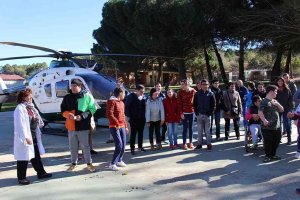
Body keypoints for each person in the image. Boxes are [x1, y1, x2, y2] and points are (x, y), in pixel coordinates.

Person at [14, 88, 52, 185]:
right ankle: (21, 178)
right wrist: (26, 137)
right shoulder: (20, 108)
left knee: (36, 156)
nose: (30, 97)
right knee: (23, 157)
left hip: (34, 134)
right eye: (28, 95)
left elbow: (36, 120)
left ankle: (41, 173)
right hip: (26, 136)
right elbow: (20, 124)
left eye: (30, 95)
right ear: (23, 97)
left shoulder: (31, 107)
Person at [61, 79, 96, 172]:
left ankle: (89, 163)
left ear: (80, 86)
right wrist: (68, 115)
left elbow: (93, 108)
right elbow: (63, 110)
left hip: (83, 126)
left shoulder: (87, 96)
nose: (72, 88)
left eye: (74, 86)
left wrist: (82, 116)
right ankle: (73, 163)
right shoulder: (67, 97)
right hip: (71, 126)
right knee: (72, 146)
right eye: (71, 86)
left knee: (85, 146)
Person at [258, 85, 284, 163]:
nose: (276, 93)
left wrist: (277, 104)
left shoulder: (275, 101)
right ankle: (267, 156)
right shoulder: (264, 101)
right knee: (268, 142)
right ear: (271, 92)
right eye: (275, 91)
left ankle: (273, 155)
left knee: (276, 140)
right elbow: (260, 112)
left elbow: (282, 110)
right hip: (267, 127)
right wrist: (264, 120)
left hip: (277, 126)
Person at [106, 87, 128, 171]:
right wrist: (117, 123)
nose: (125, 95)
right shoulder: (111, 101)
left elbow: (123, 115)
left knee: (123, 144)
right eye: (124, 93)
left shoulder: (122, 103)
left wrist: (125, 126)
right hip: (114, 126)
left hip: (122, 126)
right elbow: (109, 114)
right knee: (119, 145)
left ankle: (119, 160)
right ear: (120, 93)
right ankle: (112, 164)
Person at [193, 79, 216, 151]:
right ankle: (199, 144)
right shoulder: (197, 93)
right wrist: (196, 113)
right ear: (201, 85)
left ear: (208, 85)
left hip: (207, 115)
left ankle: (209, 144)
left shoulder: (211, 93)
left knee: (207, 131)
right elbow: (195, 104)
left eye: (206, 84)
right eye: (203, 84)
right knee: (199, 131)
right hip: (199, 114)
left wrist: (210, 113)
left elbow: (214, 105)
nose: (205, 86)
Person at [125, 84, 146, 155]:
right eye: (141, 91)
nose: (142, 93)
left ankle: (140, 146)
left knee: (141, 133)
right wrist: (129, 117)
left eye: (143, 91)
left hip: (142, 118)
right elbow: (127, 107)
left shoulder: (143, 97)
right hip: (133, 118)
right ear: (136, 90)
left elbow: (144, 107)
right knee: (133, 134)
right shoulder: (130, 97)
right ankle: (132, 148)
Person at [177, 79, 197, 150]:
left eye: (182, 84)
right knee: (185, 128)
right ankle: (184, 143)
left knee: (191, 128)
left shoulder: (193, 91)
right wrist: (181, 113)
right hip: (184, 113)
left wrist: (196, 111)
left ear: (186, 84)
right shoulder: (180, 92)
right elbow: (179, 104)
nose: (181, 86)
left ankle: (191, 142)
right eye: (181, 84)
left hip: (191, 112)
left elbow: (196, 101)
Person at [275, 77, 293, 145]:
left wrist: (290, 108)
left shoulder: (287, 89)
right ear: (277, 82)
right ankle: (279, 138)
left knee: (287, 124)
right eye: (279, 81)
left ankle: (289, 138)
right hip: (277, 109)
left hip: (286, 109)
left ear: (283, 82)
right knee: (278, 124)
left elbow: (290, 98)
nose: (280, 82)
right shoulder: (275, 90)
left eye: (281, 81)